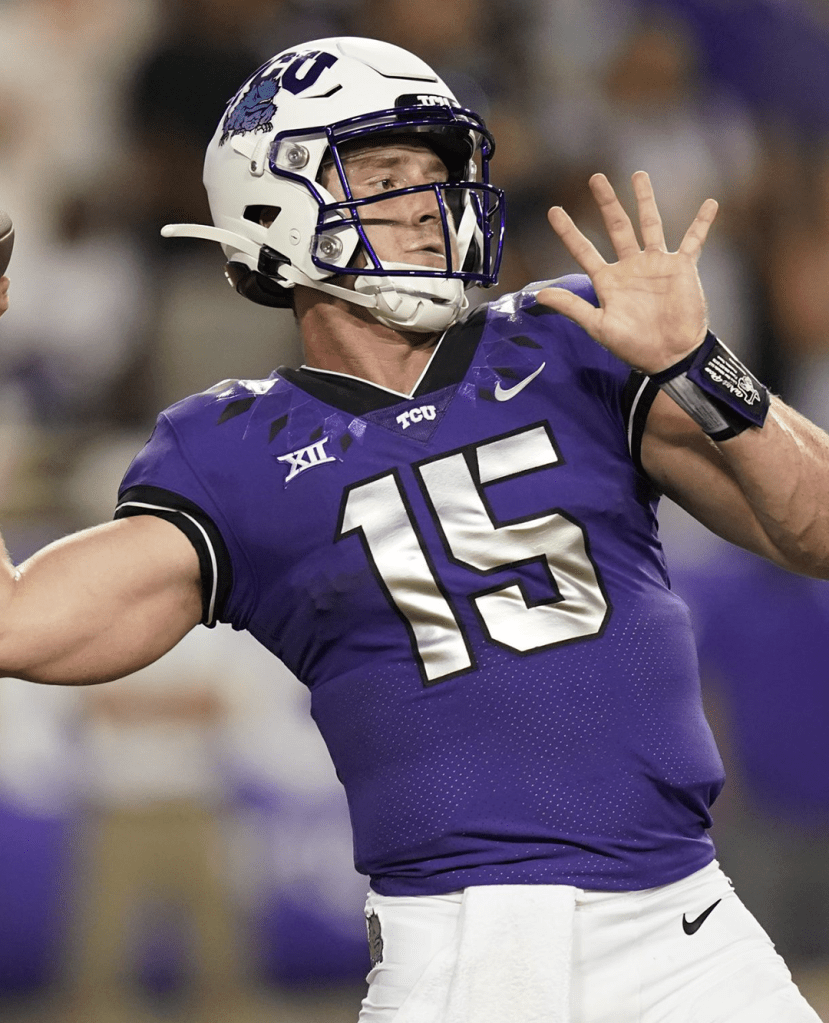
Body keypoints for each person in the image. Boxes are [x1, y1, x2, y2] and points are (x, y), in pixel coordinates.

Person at [0, 36, 827, 1023]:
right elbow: (19, 622)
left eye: (436, 177)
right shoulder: (229, 451)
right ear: (271, 202)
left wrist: (702, 364)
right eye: (385, 179)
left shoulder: (573, 339)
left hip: (685, 932)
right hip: (458, 961)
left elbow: (816, 531)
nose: (428, 206)